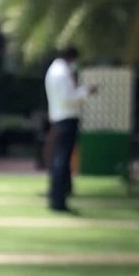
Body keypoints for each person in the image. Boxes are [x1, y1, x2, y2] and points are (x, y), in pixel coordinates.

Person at [44, 47, 97, 214]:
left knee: (60, 159)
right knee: (61, 159)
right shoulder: (61, 73)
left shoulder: (56, 71)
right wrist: (85, 91)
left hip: (60, 118)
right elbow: (68, 97)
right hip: (65, 119)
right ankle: (58, 199)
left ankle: (59, 195)